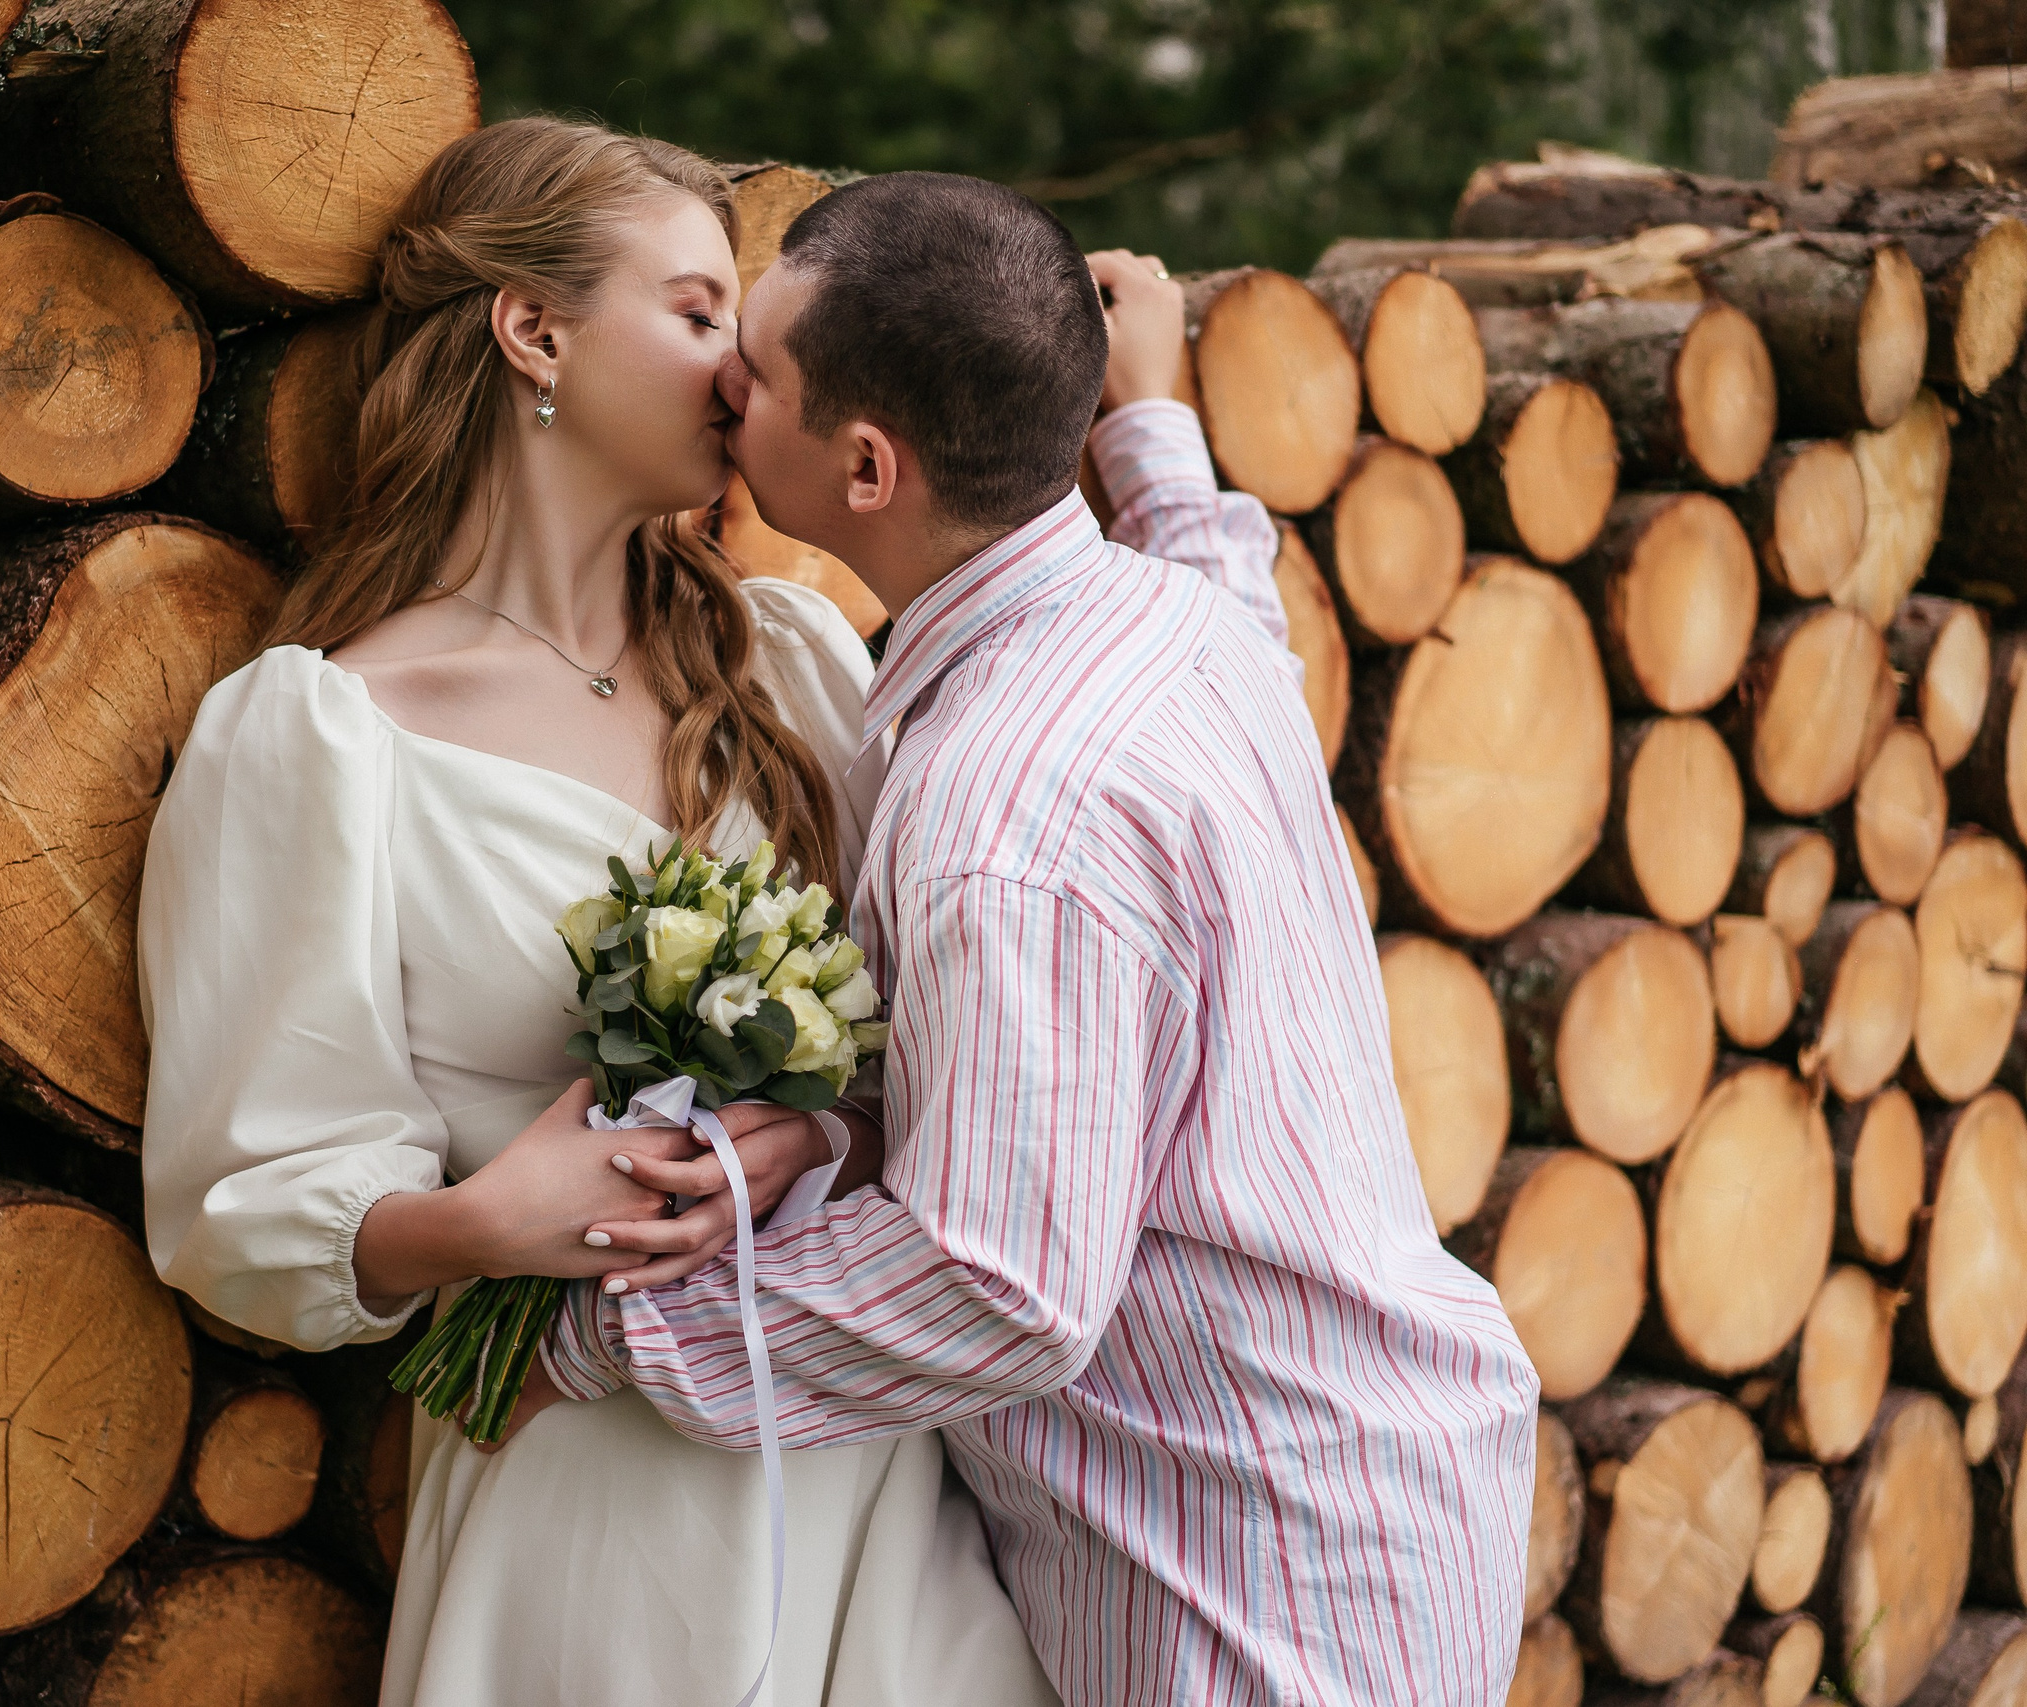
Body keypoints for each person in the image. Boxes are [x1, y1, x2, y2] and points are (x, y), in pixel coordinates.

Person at [505, 174, 1545, 1706]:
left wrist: (593, 1351)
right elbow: (1234, 603)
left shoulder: (1009, 818)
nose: (728, 379)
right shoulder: (1156, 620)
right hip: (1381, 1472)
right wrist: (1150, 425)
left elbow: (993, 1281)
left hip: (1248, 1586)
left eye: (764, 369)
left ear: (865, 466)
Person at [135, 119, 1071, 1706]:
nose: (742, 374)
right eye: (702, 313)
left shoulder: (789, 660)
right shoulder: (324, 736)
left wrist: (821, 1136)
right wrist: (479, 1222)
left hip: (865, 1465)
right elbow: (240, 1202)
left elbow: (935, 1034)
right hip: (587, 1497)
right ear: (535, 328)